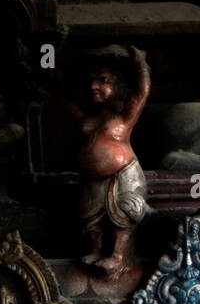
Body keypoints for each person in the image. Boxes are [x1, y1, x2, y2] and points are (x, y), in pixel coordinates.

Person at [64, 45, 150, 275]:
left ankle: (117, 255)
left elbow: (142, 93)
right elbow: (64, 104)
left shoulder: (123, 117)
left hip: (121, 174)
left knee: (121, 215)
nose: (94, 86)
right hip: (92, 181)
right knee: (90, 218)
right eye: (92, 81)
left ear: (118, 86)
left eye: (103, 81)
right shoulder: (88, 117)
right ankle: (96, 249)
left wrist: (141, 65)